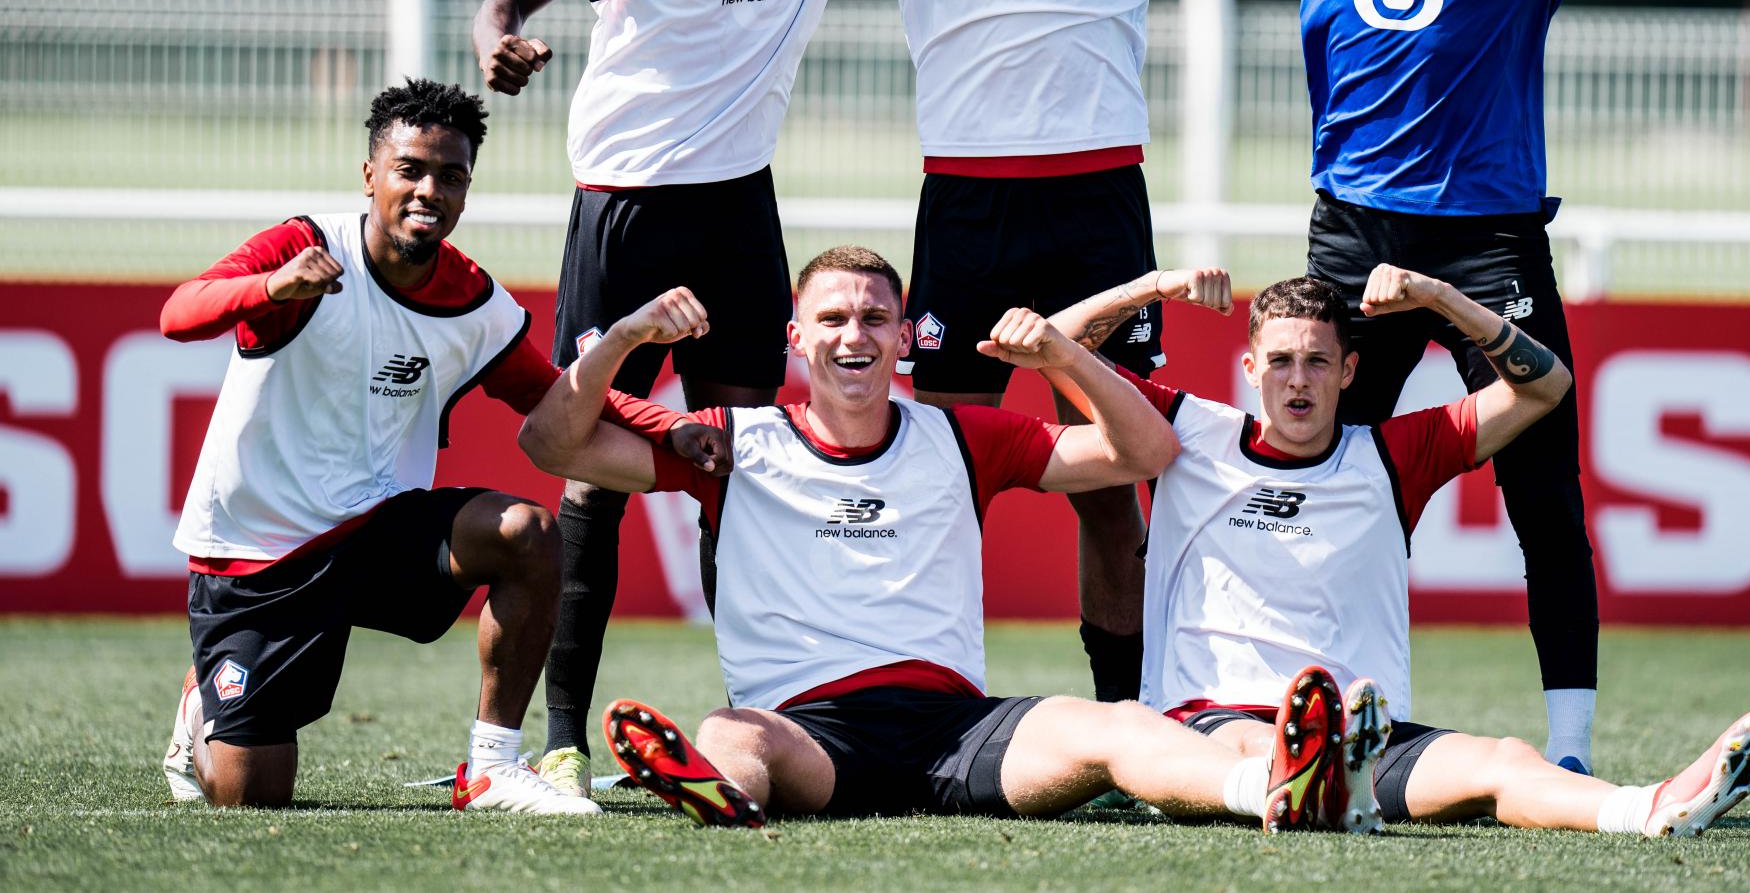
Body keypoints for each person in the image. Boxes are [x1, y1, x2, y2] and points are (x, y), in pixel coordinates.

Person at [651, 0, 1432, 706]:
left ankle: (1123, 723)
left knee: (1109, 485)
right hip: (966, 206)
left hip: (1096, 206)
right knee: (934, 483)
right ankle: (907, 696)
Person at [1176, 0, 1750, 770]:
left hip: (1490, 238)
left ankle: (1573, 751)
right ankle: (1310, 716)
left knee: (1542, 494)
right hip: (1350, 233)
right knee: (1335, 482)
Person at [470, 0, 996, 795]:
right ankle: (559, 740)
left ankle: (761, 711)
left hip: (738, 204)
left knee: (748, 466)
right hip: (625, 203)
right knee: (592, 481)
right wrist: (497, 35)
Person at [512, 245, 1308, 826]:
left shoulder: (962, 437)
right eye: (831, 318)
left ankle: (1273, 787)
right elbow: (552, 446)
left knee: (1119, 725)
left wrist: (1062, 354)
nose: (853, 334)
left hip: (957, 729)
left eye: (874, 317)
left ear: (903, 338)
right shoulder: (732, 441)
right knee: (731, 731)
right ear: (797, 337)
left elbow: (1144, 452)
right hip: (809, 727)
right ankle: (723, 793)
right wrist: (621, 340)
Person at [1042, 264, 1750, 837]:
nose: (1298, 380)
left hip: (1371, 738)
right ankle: (1305, 777)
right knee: (1247, 743)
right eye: (1280, 361)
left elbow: (1545, 384)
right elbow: (1049, 347)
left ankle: (1646, 806)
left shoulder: (1393, 454)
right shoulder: (1186, 431)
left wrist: (1442, 298)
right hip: (1214, 724)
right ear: (1248, 369)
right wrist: (1155, 286)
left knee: (1502, 762)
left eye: (1318, 362)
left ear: (1351, 372)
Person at [156, 78, 721, 813]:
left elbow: (551, 394)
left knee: (528, 533)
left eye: (450, 176)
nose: (430, 190)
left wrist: (664, 423)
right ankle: (203, 706)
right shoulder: (305, 248)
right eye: (410, 169)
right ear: (370, 176)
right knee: (252, 795)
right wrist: (271, 287)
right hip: (260, 553)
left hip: (373, 528)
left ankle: (490, 767)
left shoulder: (470, 297)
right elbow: (178, 313)